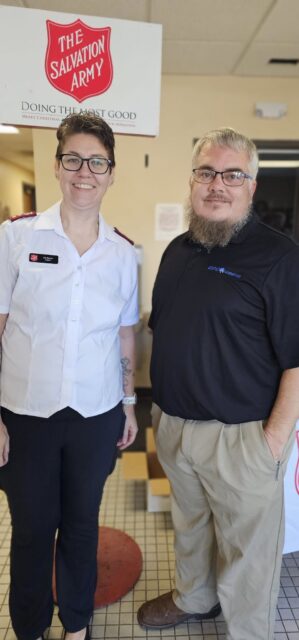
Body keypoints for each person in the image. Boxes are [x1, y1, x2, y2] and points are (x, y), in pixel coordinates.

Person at [137, 128, 299, 640]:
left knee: (248, 551)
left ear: (251, 186)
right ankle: (195, 597)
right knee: (191, 527)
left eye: (232, 174)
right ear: (191, 181)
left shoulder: (279, 257)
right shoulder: (179, 251)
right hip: (175, 426)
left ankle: (249, 632)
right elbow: (164, 328)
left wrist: (273, 440)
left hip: (242, 437)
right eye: (206, 172)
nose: (217, 185)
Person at [0, 112, 139, 640]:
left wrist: (127, 403)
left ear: (111, 172)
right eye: (74, 159)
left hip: (94, 415)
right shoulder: (16, 238)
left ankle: (76, 625)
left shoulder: (123, 254)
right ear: (58, 167)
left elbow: (125, 336)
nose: (85, 172)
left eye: (97, 162)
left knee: (81, 527)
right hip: (26, 415)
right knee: (33, 530)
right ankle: (30, 629)